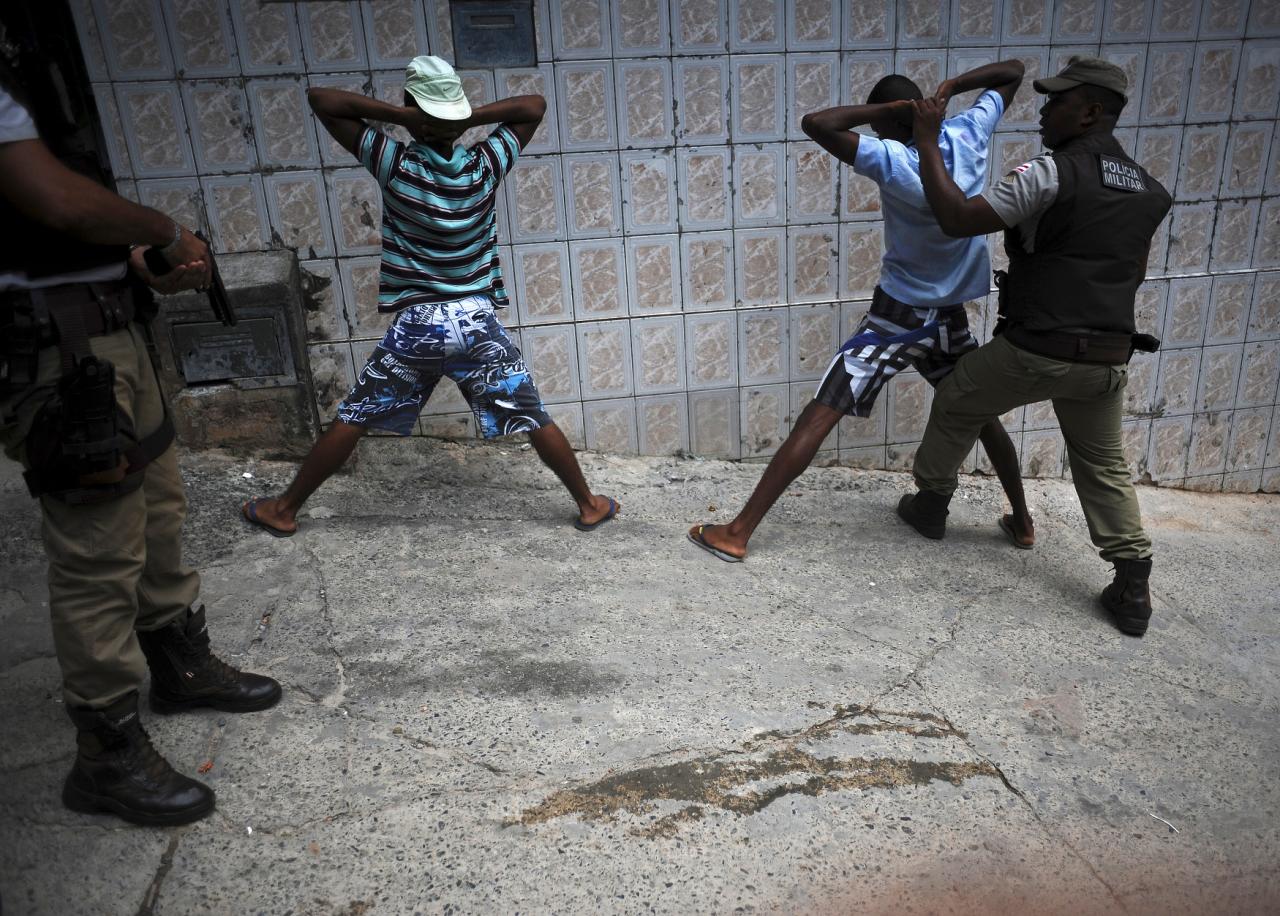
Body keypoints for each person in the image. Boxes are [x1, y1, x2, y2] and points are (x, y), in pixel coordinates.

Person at [0, 54, 281, 824]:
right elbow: (51, 200)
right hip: (51, 349)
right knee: (98, 550)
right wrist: (164, 230)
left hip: (106, 328)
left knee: (159, 508)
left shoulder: (29, 65)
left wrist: (131, 258)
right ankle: (107, 753)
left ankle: (179, 664)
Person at [243, 56, 617, 536]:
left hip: (419, 326)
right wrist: (467, 119)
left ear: (412, 108)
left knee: (355, 417)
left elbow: (323, 100)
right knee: (532, 414)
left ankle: (285, 508)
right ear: (455, 113)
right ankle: (588, 503)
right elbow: (533, 106)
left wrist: (402, 119)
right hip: (477, 322)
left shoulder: (394, 164)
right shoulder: (484, 166)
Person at [687, 60, 1031, 563]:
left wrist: (890, 112)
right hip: (951, 317)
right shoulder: (969, 131)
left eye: (880, 124)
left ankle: (737, 532)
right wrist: (954, 87)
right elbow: (1013, 72)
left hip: (898, 317)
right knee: (979, 414)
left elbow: (818, 123)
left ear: (892, 124)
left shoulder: (892, 157)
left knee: (821, 412)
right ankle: (1022, 521)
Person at [896, 58, 1172, 637]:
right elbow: (1133, 273)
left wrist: (926, 141)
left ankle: (931, 505)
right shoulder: (1150, 190)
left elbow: (955, 218)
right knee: (1103, 464)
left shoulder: (1049, 174)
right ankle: (1132, 580)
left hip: (1035, 348)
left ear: (1091, 111)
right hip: (1105, 359)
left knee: (957, 399)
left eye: (1057, 103)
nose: (1044, 111)